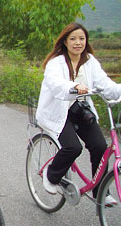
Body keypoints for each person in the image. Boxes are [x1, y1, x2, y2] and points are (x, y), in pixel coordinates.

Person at [36, 22, 121, 206]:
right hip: (58, 111)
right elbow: (56, 83)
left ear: (86, 41)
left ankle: (101, 191)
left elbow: (106, 86)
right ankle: (52, 175)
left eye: (81, 39)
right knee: (73, 147)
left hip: (80, 110)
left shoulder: (89, 61)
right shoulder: (56, 62)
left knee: (100, 146)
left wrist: (119, 90)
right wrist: (73, 86)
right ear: (65, 41)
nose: (78, 43)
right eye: (73, 39)